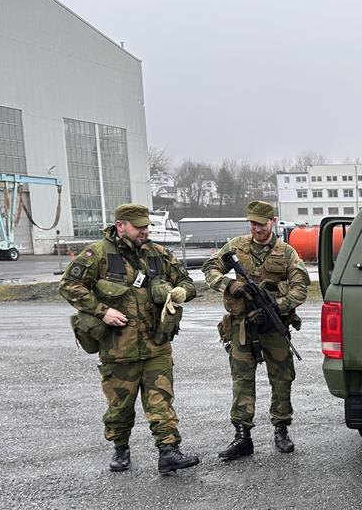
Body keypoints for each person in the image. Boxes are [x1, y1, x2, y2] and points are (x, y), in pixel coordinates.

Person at [59, 203, 200, 474]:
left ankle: (168, 451)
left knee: (161, 400)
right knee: (120, 405)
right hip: (118, 347)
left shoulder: (158, 254)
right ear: (120, 226)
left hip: (156, 343)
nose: (144, 231)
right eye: (138, 227)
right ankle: (121, 447)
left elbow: (187, 282)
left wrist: (182, 292)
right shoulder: (98, 254)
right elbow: (68, 285)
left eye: (146, 226)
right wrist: (102, 311)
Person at [203, 200, 310, 458]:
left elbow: (300, 288)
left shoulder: (286, 252)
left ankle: (281, 429)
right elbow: (210, 268)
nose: (256, 229)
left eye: (261, 224)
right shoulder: (236, 246)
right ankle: (242, 436)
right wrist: (229, 285)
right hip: (242, 326)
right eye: (252, 223)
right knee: (242, 380)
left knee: (282, 378)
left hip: (273, 325)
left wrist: (276, 306)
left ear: (273, 222)